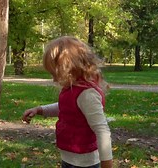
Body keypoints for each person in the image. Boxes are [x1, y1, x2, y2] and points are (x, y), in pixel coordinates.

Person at [22, 36, 113, 168]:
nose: (54, 80)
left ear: (69, 69)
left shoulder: (87, 94)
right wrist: (40, 109)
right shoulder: (72, 89)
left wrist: (107, 164)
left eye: (55, 74)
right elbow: (66, 107)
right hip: (70, 158)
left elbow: (102, 130)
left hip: (85, 163)